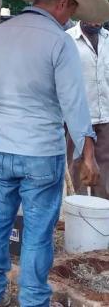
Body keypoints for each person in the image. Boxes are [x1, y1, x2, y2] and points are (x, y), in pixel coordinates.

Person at [0, 0, 105, 307]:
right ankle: (32, 300)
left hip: (2, 149)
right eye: (71, 9)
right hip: (41, 153)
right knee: (36, 232)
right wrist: (87, 153)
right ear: (61, 2)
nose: (71, 17)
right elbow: (74, 104)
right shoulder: (59, 42)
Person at [66, 20, 109, 198]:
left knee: (105, 168)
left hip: (105, 116)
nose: (95, 21)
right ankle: (80, 213)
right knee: (77, 168)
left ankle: (101, 214)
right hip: (76, 118)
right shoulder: (67, 40)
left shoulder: (108, 40)